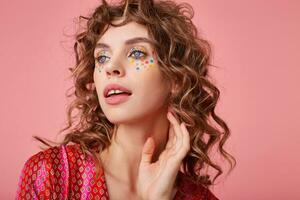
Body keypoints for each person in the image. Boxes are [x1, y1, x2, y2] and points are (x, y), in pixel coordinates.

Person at [15, 0, 236, 199]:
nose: (111, 67)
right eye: (102, 57)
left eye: (136, 53)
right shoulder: (52, 174)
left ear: (176, 77)